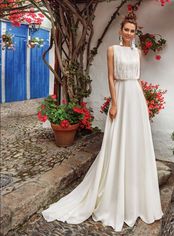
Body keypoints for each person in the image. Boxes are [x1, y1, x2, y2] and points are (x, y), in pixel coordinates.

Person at [41, 12, 164, 232]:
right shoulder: (112, 50)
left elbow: (137, 79)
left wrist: (143, 102)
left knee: (136, 142)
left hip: (136, 97)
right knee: (118, 140)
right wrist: (114, 103)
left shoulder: (137, 53)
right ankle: (114, 190)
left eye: (132, 31)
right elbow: (110, 77)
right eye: (126, 30)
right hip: (121, 96)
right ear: (121, 31)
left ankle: (135, 194)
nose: (128, 33)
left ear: (135, 34)